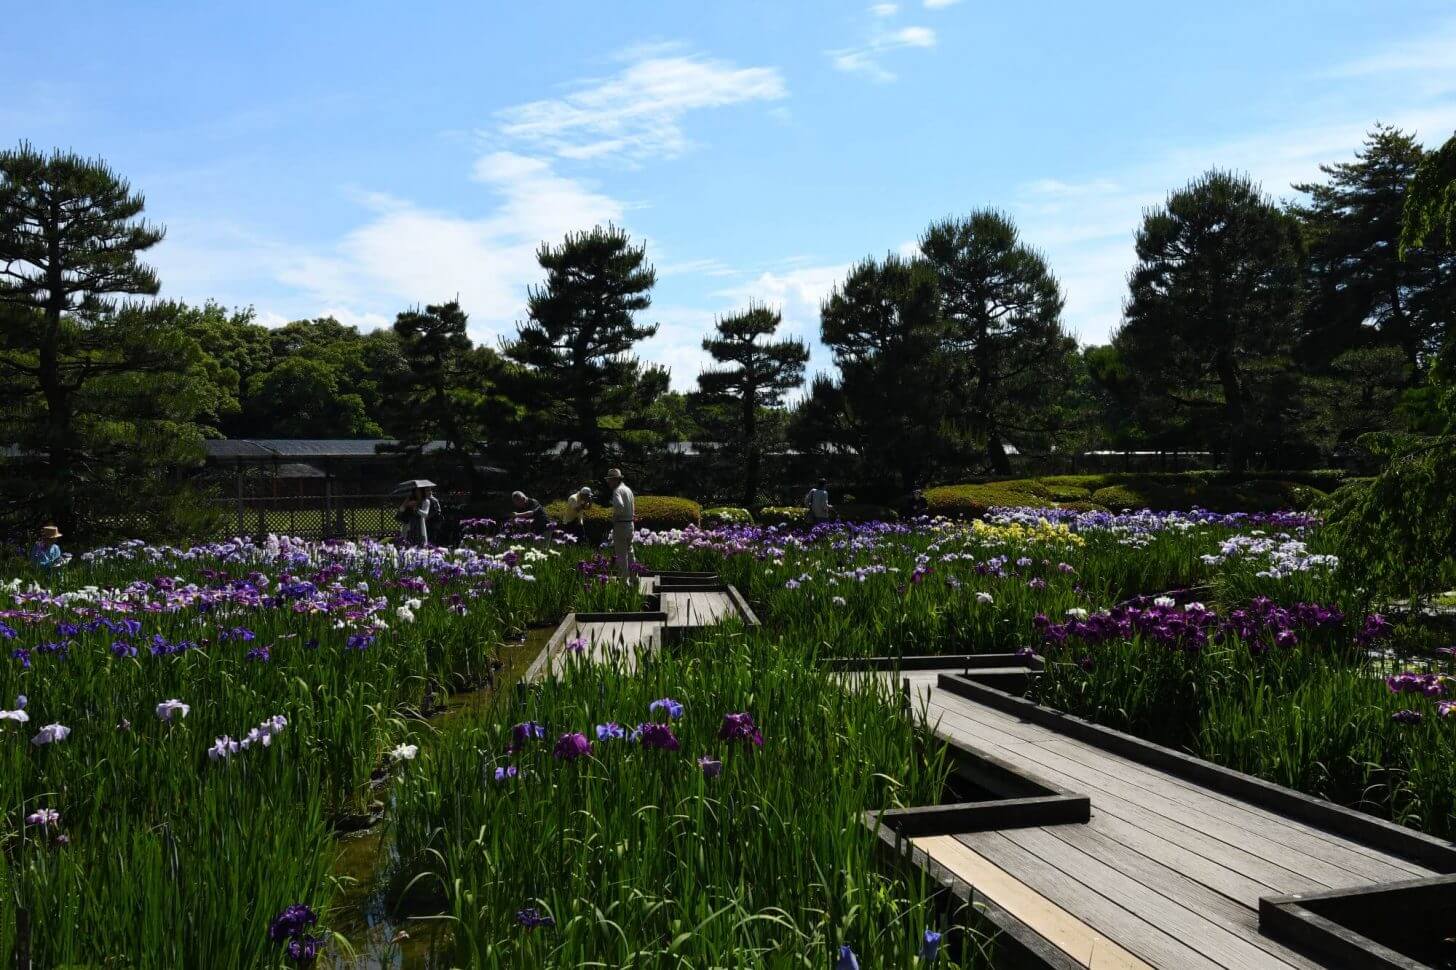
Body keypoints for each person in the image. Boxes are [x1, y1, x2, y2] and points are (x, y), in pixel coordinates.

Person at [606, 468, 635, 580]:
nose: (608, 483)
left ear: (615, 480)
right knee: (630, 551)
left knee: (621, 554)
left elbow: (619, 506)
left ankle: (624, 581)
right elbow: (633, 507)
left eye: (610, 480)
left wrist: (615, 518)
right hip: (630, 524)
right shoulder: (628, 490)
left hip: (621, 525)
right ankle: (634, 577)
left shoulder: (617, 491)